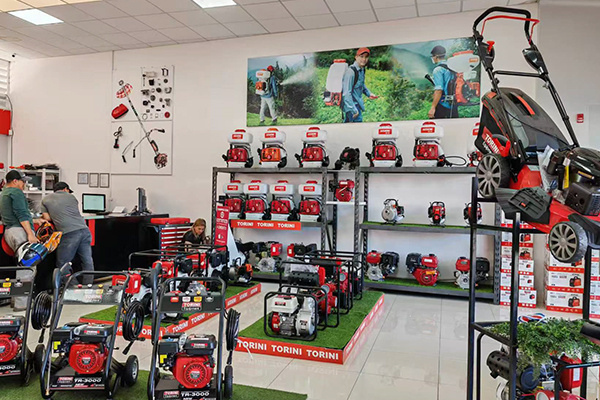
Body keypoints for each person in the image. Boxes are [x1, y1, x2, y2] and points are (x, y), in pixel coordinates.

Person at [41, 182, 94, 284]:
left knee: (62, 263)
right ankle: (88, 286)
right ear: (66, 189)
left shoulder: (45, 199)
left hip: (68, 233)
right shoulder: (72, 197)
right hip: (85, 230)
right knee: (87, 260)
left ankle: (73, 287)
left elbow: (47, 218)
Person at [342, 47, 379, 123]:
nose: (364, 59)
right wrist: (354, 110)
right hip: (352, 107)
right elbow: (346, 93)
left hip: (356, 105)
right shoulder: (351, 72)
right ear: (356, 57)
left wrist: (369, 93)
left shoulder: (362, 69)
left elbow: (361, 84)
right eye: (361, 56)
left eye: (366, 57)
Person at [428, 45, 459, 119]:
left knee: (439, 125)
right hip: (453, 105)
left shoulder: (438, 70)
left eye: (432, 56)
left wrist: (433, 108)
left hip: (443, 105)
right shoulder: (452, 67)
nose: (432, 58)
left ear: (436, 56)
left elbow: (439, 90)